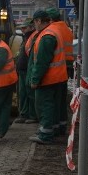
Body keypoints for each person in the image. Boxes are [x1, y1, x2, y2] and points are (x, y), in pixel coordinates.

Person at [28, 9, 68, 145]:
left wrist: (35, 80)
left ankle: (45, 135)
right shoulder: (53, 31)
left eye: (34, 22)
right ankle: (54, 130)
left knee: (44, 106)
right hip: (58, 77)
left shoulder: (46, 36)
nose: (34, 26)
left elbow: (41, 62)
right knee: (54, 105)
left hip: (48, 79)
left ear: (39, 21)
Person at [45, 7, 74, 136]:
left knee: (54, 99)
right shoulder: (67, 29)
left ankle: (55, 126)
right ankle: (62, 124)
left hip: (57, 67)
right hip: (67, 66)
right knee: (62, 99)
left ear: (50, 19)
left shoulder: (53, 31)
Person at [14, 18, 38, 124]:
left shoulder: (33, 37)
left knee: (29, 93)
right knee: (23, 93)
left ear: (31, 27)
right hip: (22, 70)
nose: (23, 30)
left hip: (28, 70)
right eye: (22, 28)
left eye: (25, 27)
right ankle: (24, 114)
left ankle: (32, 115)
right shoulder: (26, 38)